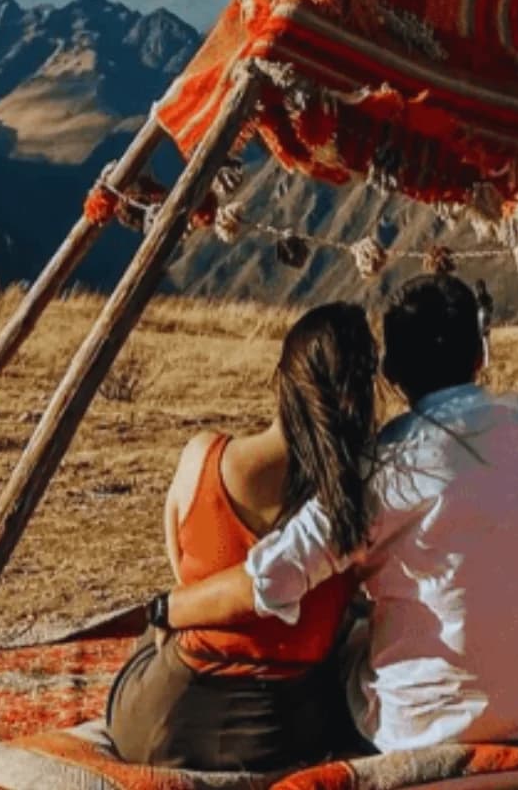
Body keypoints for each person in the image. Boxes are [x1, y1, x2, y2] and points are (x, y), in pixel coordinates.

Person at [155, 274, 518, 754]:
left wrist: (166, 608)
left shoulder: (382, 466)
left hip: (418, 734)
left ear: (392, 371)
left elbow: (271, 579)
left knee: (352, 631)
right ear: (480, 355)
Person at [105, 303, 377, 771]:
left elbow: (182, 575)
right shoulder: (360, 495)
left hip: (163, 726)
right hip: (291, 734)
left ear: (282, 382)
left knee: (158, 630)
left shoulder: (204, 458)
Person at [474, 279, 495, 366]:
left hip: (481, 318)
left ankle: (483, 362)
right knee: (486, 341)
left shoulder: (478, 298)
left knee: (482, 342)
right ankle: (487, 362)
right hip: (487, 319)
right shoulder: (489, 297)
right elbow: (491, 309)